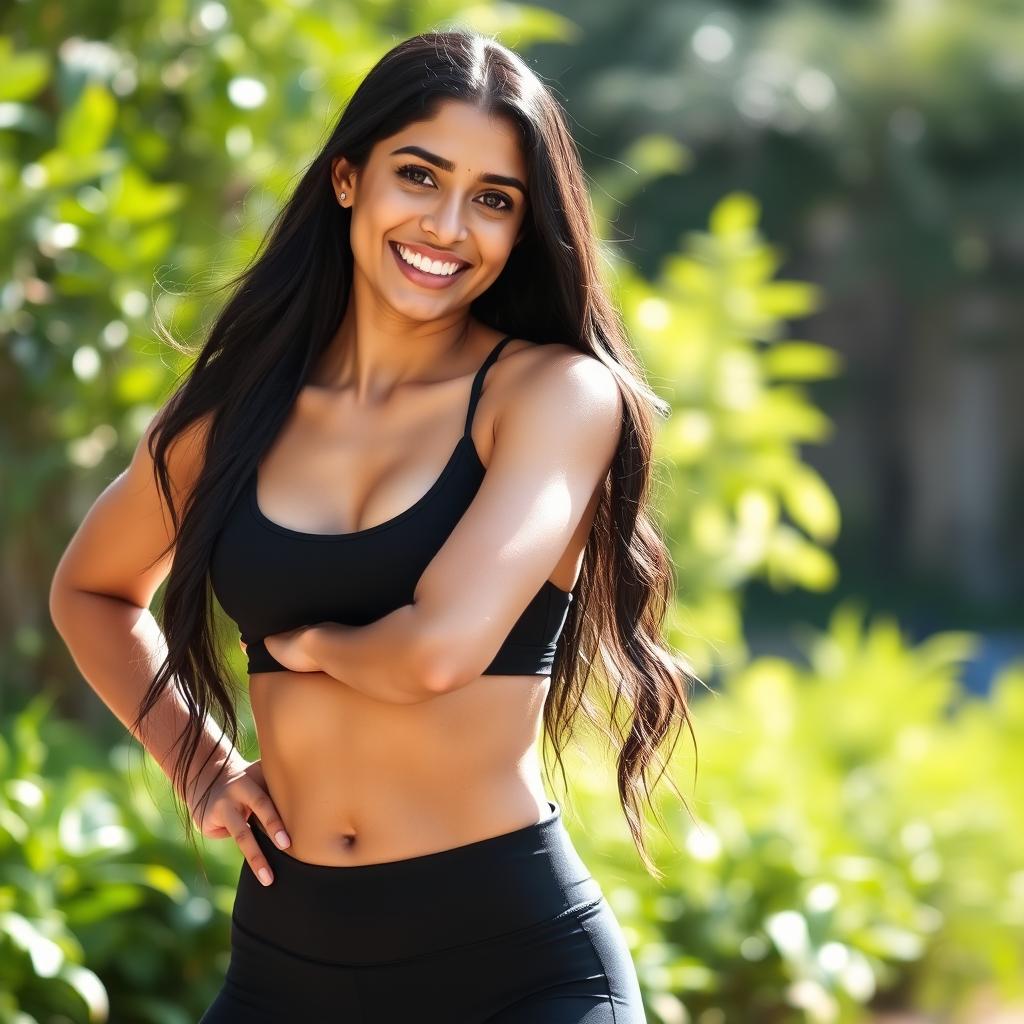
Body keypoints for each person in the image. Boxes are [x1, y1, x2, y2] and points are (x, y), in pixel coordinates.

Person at [49, 28, 698, 1023]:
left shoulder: (552, 396)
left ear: (524, 228)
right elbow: (91, 591)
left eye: (493, 198)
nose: (446, 225)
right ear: (348, 178)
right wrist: (201, 764)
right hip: (284, 965)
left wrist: (299, 640)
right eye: (419, 175)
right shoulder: (234, 415)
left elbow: (439, 651)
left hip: (511, 971)